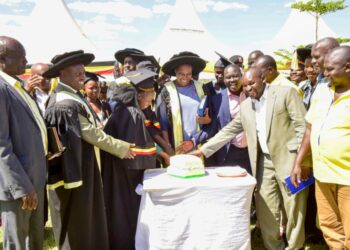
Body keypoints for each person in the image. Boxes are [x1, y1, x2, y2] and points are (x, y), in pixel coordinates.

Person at [192, 67, 308, 250]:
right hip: (264, 163)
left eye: (251, 83)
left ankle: (295, 246)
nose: (247, 89)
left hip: (290, 161)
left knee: (294, 207)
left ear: (263, 78)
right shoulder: (247, 105)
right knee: (265, 208)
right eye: (245, 86)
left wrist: (301, 162)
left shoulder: (286, 93)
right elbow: (229, 130)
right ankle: (274, 246)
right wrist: (203, 150)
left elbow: (302, 127)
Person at [43, 50, 135, 250]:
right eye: (77, 74)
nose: (82, 77)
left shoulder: (72, 96)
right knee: (77, 222)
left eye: (83, 73)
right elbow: (90, 133)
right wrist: (121, 147)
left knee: (87, 219)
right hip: (74, 173)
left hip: (83, 166)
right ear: (62, 74)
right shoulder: (63, 103)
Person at [291, 46, 350, 249]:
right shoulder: (323, 91)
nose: (325, 74)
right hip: (323, 176)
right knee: (330, 229)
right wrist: (299, 162)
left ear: (348, 67)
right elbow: (310, 129)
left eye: (331, 69)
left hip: (347, 180)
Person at [101, 68, 159, 250]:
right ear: (141, 95)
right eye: (151, 94)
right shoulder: (132, 115)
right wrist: (157, 156)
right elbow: (137, 152)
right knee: (125, 214)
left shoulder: (125, 110)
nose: (152, 99)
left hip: (117, 171)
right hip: (125, 176)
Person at [0, 36, 47, 249]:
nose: (26, 61)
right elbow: (1, 145)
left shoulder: (18, 86)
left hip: (34, 178)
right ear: (2, 58)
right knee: (17, 242)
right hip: (18, 185)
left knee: (35, 240)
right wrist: (20, 187)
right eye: (20, 57)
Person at [193, 64, 251, 172]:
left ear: (242, 76)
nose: (232, 80)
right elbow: (212, 128)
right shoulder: (217, 100)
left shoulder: (251, 95)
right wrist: (193, 141)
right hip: (228, 152)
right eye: (228, 77)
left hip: (251, 152)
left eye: (235, 76)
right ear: (224, 80)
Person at [156, 51, 206, 153]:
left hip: (197, 143)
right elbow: (163, 122)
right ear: (175, 71)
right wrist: (168, 147)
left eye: (189, 74)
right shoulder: (166, 90)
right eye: (181, 74)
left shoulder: (200, 87)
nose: (185, 77)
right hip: (175, 144)